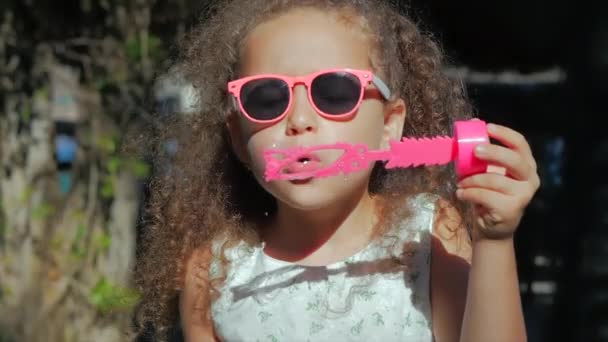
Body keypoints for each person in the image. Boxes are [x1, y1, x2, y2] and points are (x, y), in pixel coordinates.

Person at [134, 1, 540, 341]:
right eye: (265, 98)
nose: (299, 120)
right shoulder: (215, 268)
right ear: (239, 139)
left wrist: (494, 241)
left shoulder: (427, 235)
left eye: (334, 92)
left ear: (388, 126)